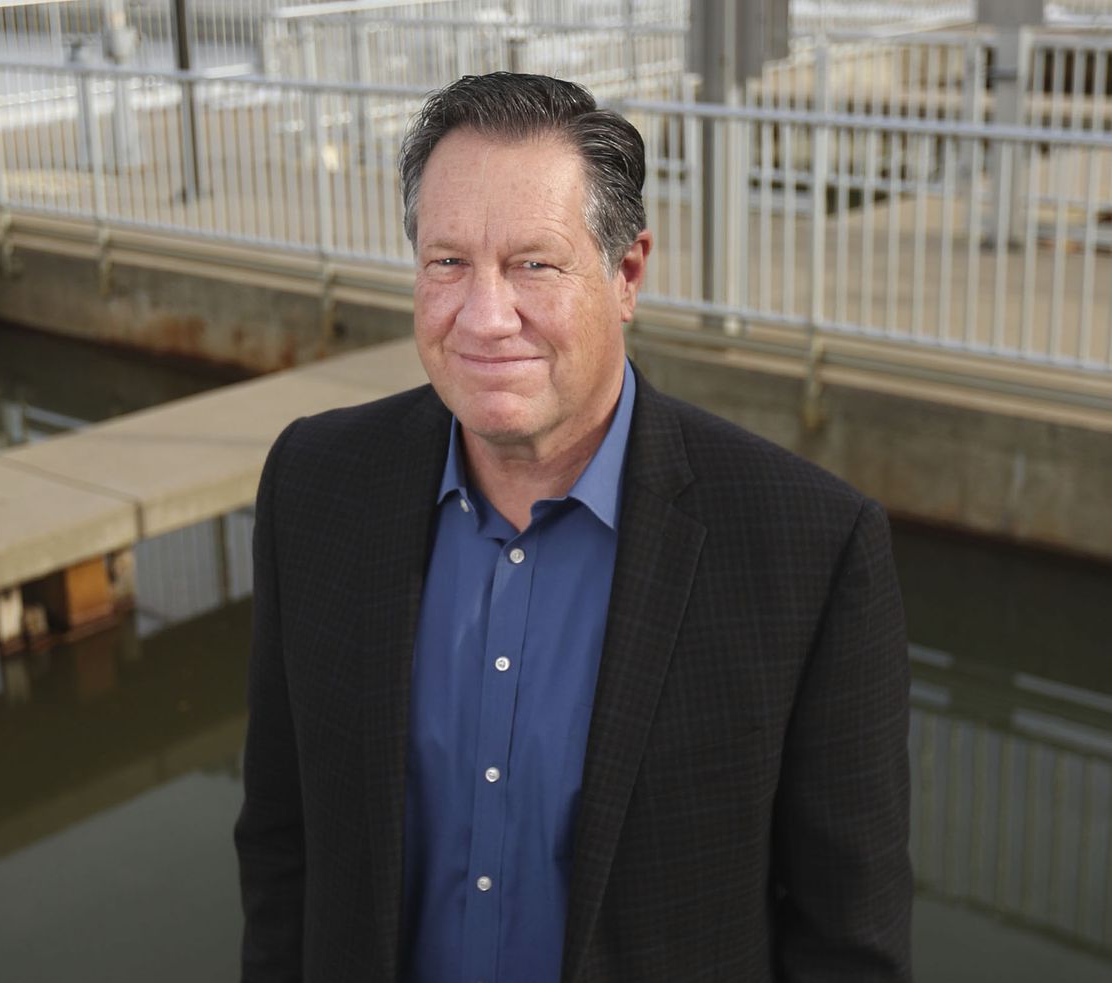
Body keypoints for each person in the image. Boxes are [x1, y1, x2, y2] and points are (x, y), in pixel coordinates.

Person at [235, 72, 911, 983]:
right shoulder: (315, 487)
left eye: (533, 264)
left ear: (626, 273)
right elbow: (282, 844)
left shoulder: (811, 551)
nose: (483, 316)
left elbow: (848, 944)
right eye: (446, 262)